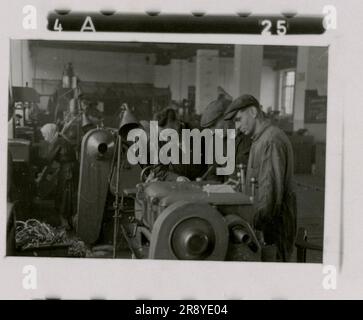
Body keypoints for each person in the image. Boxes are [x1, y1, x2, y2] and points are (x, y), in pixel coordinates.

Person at [224, 94, 297, 261]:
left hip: (272, 231)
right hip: (265, 225)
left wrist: (249, 225)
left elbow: (269, 196)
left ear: (253, 112)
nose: (237, 127)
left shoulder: (270, 141)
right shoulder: (259, 140)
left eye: (239, 119)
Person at [200, 93, 252, 182]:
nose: (212, 131)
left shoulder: (250, 135)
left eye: (213, 125)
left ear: (227, 116)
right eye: (209, 128)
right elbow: (213, 174)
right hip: (228, 193)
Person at [40, 123, 78, 229]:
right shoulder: (61, 139)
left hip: (67, 171)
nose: (44, 138)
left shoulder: (58, 141)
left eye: (45, 135)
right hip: (69, 169)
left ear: (50, 133)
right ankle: (67, 221)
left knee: (64, 195)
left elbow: (48, 158)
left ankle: (65, 222)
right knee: (67, 195)